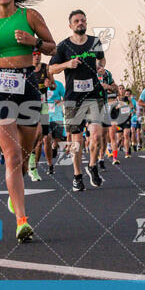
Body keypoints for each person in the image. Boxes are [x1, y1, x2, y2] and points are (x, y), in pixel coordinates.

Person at [0, 0, 55, 242]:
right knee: (11, 155)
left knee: (24, 153)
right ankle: (22, 220)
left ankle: (16, 187)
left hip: (28, 85)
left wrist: (35, 43)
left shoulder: (30, 17)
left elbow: (53, 48)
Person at [49, 10, 106, 191]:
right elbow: (51, 68)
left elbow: (102, 60)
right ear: (70, 25)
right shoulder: (64, 46)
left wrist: (100, 67)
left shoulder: (94, 42)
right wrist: (67, 64)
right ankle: (77, 174)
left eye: (83, 20)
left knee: (96, 135)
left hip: (93, 95)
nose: (80, 23)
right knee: (76, 140)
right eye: (76, 21)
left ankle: (92, 165)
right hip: (73, 98)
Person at [29, 50, 56, 181]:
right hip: (28, 108)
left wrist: (50, 85)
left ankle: (36, 165)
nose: (37, 56)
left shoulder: (46, 68)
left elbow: (54, 86)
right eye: (34, 54)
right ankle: (32, 166)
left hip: (43, 107)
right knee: (37, 135)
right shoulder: (26, 68)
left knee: (44, 138)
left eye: (39, 54)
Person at [47, 78, 66, 172]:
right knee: (47, 138)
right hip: (45, 115)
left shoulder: (59, 84)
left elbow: (66, 97)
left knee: (57, 139)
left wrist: (61, 102)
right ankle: (50, 165)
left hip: (57, 115)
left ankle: (54, 146)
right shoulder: (41, 85)